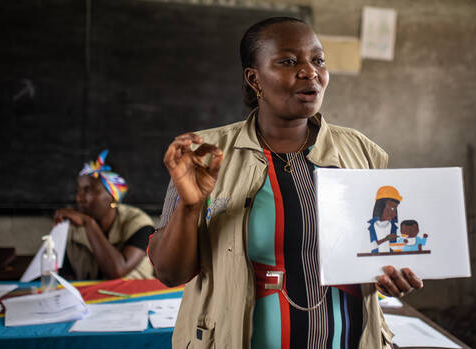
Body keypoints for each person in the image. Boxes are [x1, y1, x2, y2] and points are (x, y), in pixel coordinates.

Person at [148, 17, 423, 348]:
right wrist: (190, 206)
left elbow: (379, 249)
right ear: (254, 79)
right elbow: (169, 273)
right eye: (289, 61)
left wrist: (391, 274)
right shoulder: (204, 154)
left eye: (318, 60)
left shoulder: (362, 152)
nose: (310, 72)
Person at [54, 149, 155, 280]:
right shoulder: (72, 229)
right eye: (78, 191)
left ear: (113, 197)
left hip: (139, 298)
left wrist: (89, 223)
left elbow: (118, 271)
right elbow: (62, 275)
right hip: (91, 299)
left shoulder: (139, 223)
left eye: (88, 191)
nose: (79, 198)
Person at [368, 185, 402, 254]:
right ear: (380, 207)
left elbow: (396, 248)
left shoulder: (394, 227)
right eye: (392, 208)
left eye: (395, 209)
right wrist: (386, 239)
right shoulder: (370, 227)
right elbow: (367, 247)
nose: (395, 214)